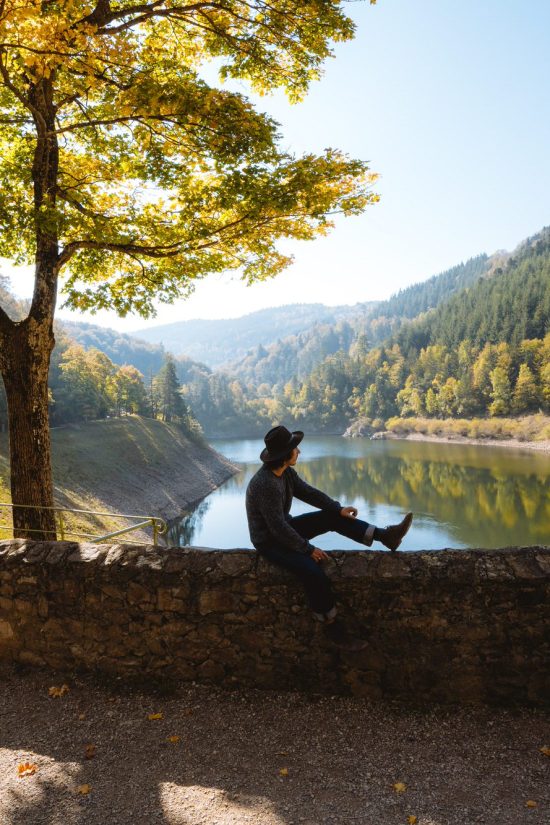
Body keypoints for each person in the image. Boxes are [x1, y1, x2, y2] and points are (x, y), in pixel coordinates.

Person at [245, 425, 413, 648]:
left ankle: (386, 537)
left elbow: (309, 492)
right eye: (296, 449)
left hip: (284, 528)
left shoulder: (285, 473)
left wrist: (337, 508)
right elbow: (276, 529)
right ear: (286, 455)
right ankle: (332, 628)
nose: (299, 452)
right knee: (313, 572)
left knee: (331, 517)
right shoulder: (265, 484)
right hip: (269, 541)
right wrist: (307, 549)